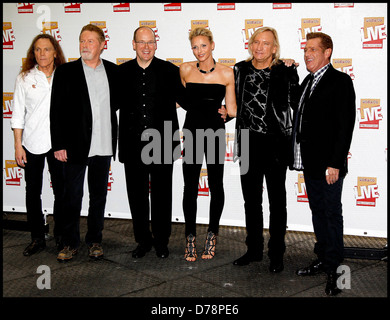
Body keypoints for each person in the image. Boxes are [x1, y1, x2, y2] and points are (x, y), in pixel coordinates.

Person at [291, 32, 355, 295]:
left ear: (327, 52)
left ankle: (336, 273)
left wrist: (335, 163)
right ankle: (324, 259)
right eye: (305, 49)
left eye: (313, 50)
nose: (307, 54)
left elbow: (345, 127)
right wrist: (288, 72)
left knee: (331, 215)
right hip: (310, 162)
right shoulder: (308, 80)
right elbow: (296, 108)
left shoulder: (340, 81)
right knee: (318, 213)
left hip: (329, 165)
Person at [232, 27, 300, 273]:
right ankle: (253, 250)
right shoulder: (240, 69)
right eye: (256, 42)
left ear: (274, 48)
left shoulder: (284, 70)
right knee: (251, 201)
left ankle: (276, 253)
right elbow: (234, 105)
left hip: (275, 143)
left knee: (277, 201)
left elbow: (297, 102)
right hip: (249, 143)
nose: (259, 47)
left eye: (266, 43)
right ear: (250, 45)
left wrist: (292, 70)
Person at [50, 24, 119, 262]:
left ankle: (95, 240)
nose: (85, 45)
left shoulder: (113, 71)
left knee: (98, 196)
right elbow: (56, 111)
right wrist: (58, 144)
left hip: (103, 145)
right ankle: (70, 242)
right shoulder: (66, 72)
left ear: (102, 44)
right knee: (72, 196)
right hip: (74, 147)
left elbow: (119, 104)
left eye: (90, 41)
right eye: (82, 41)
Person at [118, 26, 187, 259]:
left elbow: (189, 98)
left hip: (163, 143)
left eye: (150, 42)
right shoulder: (122, 72)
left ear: (156, 44)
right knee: (136, 196)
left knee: (162, 194)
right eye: (141, 42)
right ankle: (143, 241)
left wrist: (220, 107)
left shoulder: (170, 70)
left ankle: (161, 241)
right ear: (134, 44)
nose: (146, 47)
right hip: (132, 145)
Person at [179, 27, 237, 262]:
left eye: (203, 45)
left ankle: (212, 235)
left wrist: (227, 114)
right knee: (189, 187)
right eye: (195, 46)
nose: (199, 51)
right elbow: (178, 101)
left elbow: (232, 109)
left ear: (212, 45)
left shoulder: (226, 73)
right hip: (191, 132)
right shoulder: (184, 70)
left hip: (214, 132)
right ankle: (190, 237)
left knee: (216, 184)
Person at [11, 34, 66, 256]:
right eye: (37, 50)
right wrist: (17, 146)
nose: (42, 54)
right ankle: (36, 238)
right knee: (32, 192)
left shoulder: (65, 76)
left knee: (62, 192)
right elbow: (17, 115)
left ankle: (62, 236)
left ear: (55, 52)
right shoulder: (24, 78)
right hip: (31, 144)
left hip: (58, 145)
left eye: (46, 49)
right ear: (33, 53)